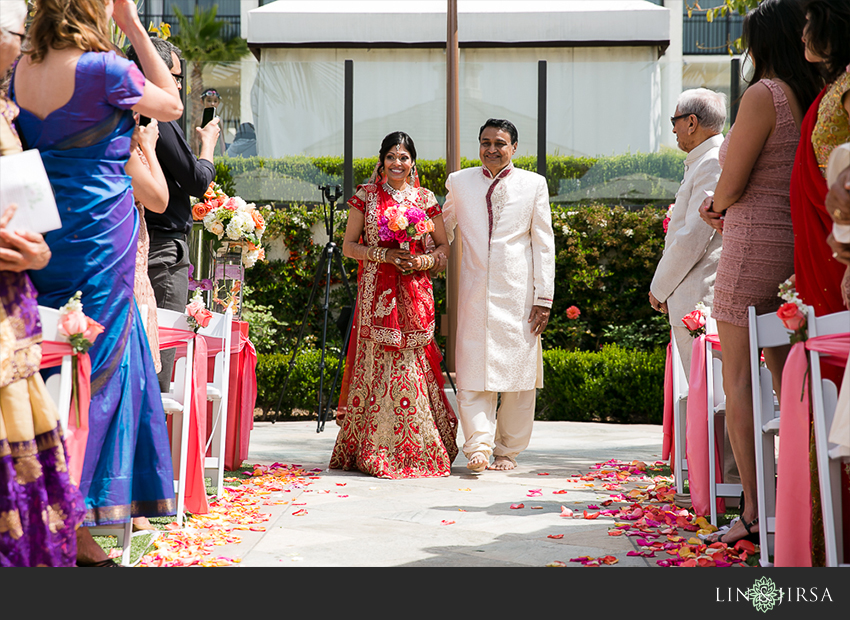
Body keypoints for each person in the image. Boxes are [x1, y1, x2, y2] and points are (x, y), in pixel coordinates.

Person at [11, 0, 184, 566]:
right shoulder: (104, 69)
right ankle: (71, 521)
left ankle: (54, 513)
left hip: (41, 229)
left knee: (50, 364)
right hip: (97, 232)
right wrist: (134, 25)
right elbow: (174, 105)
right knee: (97, 370)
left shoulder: (23, 70)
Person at [699, 0, 823, 547]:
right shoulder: (808, 96)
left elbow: (732, 179)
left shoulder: (762, 94)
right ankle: (798, 506)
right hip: (793, 246)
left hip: (752, 247)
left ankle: (753, 510)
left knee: (741, 383)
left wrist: (717, 204)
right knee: (787, 378)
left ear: (760, 43)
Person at [0, 0, 86, 567]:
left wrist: (37, 248)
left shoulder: (8, 112)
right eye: (19, 32)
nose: (28, 45)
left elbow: (31, 226)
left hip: (12, 326)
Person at [329, 131, 459, 478]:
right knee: (379, 362)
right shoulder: (366, 197)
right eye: (391, 157)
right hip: (377, 293)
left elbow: (444, 250)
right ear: (381, 160)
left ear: (412, 161)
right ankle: (373, 448)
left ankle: (420, 448)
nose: (397, 163)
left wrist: (421, 263)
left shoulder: (425, 198)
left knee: (412, 363)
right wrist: (384, 255)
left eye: (403, 157)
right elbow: (348, 246)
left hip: (416, 292)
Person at [439, 118, 555, 473]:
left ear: (514, 148)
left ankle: (507, 450)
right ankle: (478, 445)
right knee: (473, 371)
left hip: (520, 295)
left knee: (519, 379)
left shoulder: (533, 184)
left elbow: (544, 243)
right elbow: (442, 227)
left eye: (500, 143)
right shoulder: (460, 182)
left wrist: (544, 296)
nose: (492, 149)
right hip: (474, 292)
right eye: (485, 141)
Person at [126, 36, 219, 391]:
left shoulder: (130, 121)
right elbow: (193, 182)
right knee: (158, 357)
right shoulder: (153, 122)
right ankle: (153, 437)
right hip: (160, 247)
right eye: (174, 76)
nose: (178, 86)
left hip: (143, 242)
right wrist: (208, 146)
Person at [649, 88, 726, 374]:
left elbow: (692, 237)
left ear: (691, 122)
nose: (673, 128)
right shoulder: (704, 159)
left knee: (705, 397)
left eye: (675, 120)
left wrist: (659, 287)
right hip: (690, 293)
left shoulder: (711, 161)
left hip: (698, 295)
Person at [791, 0, 850, 318]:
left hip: (839, 237)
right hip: (822, 233)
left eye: (809, 22)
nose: (802, 35)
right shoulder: (834, 86)